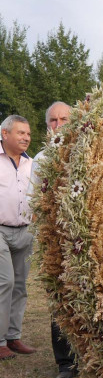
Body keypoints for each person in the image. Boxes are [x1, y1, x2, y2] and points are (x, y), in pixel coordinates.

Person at [31, 102, 78, 378]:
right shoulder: (40, 159)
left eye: (63, 119)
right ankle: (65, 363)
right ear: (47, 124)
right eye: (53, 120)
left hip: (84, 236)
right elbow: (34, 200)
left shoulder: (86, 150)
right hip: (55, 239)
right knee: (59, 300)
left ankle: (93, 360)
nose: (58, 124)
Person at [0, 115, 36, 361]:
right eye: (20, 133)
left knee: (21, 286)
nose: (26, 138)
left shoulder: (33, 164)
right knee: (5, 282)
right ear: (5, 133)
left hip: (26, 231)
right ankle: (0, 340)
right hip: (0, 230)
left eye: (28, 134)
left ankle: (14, 336)